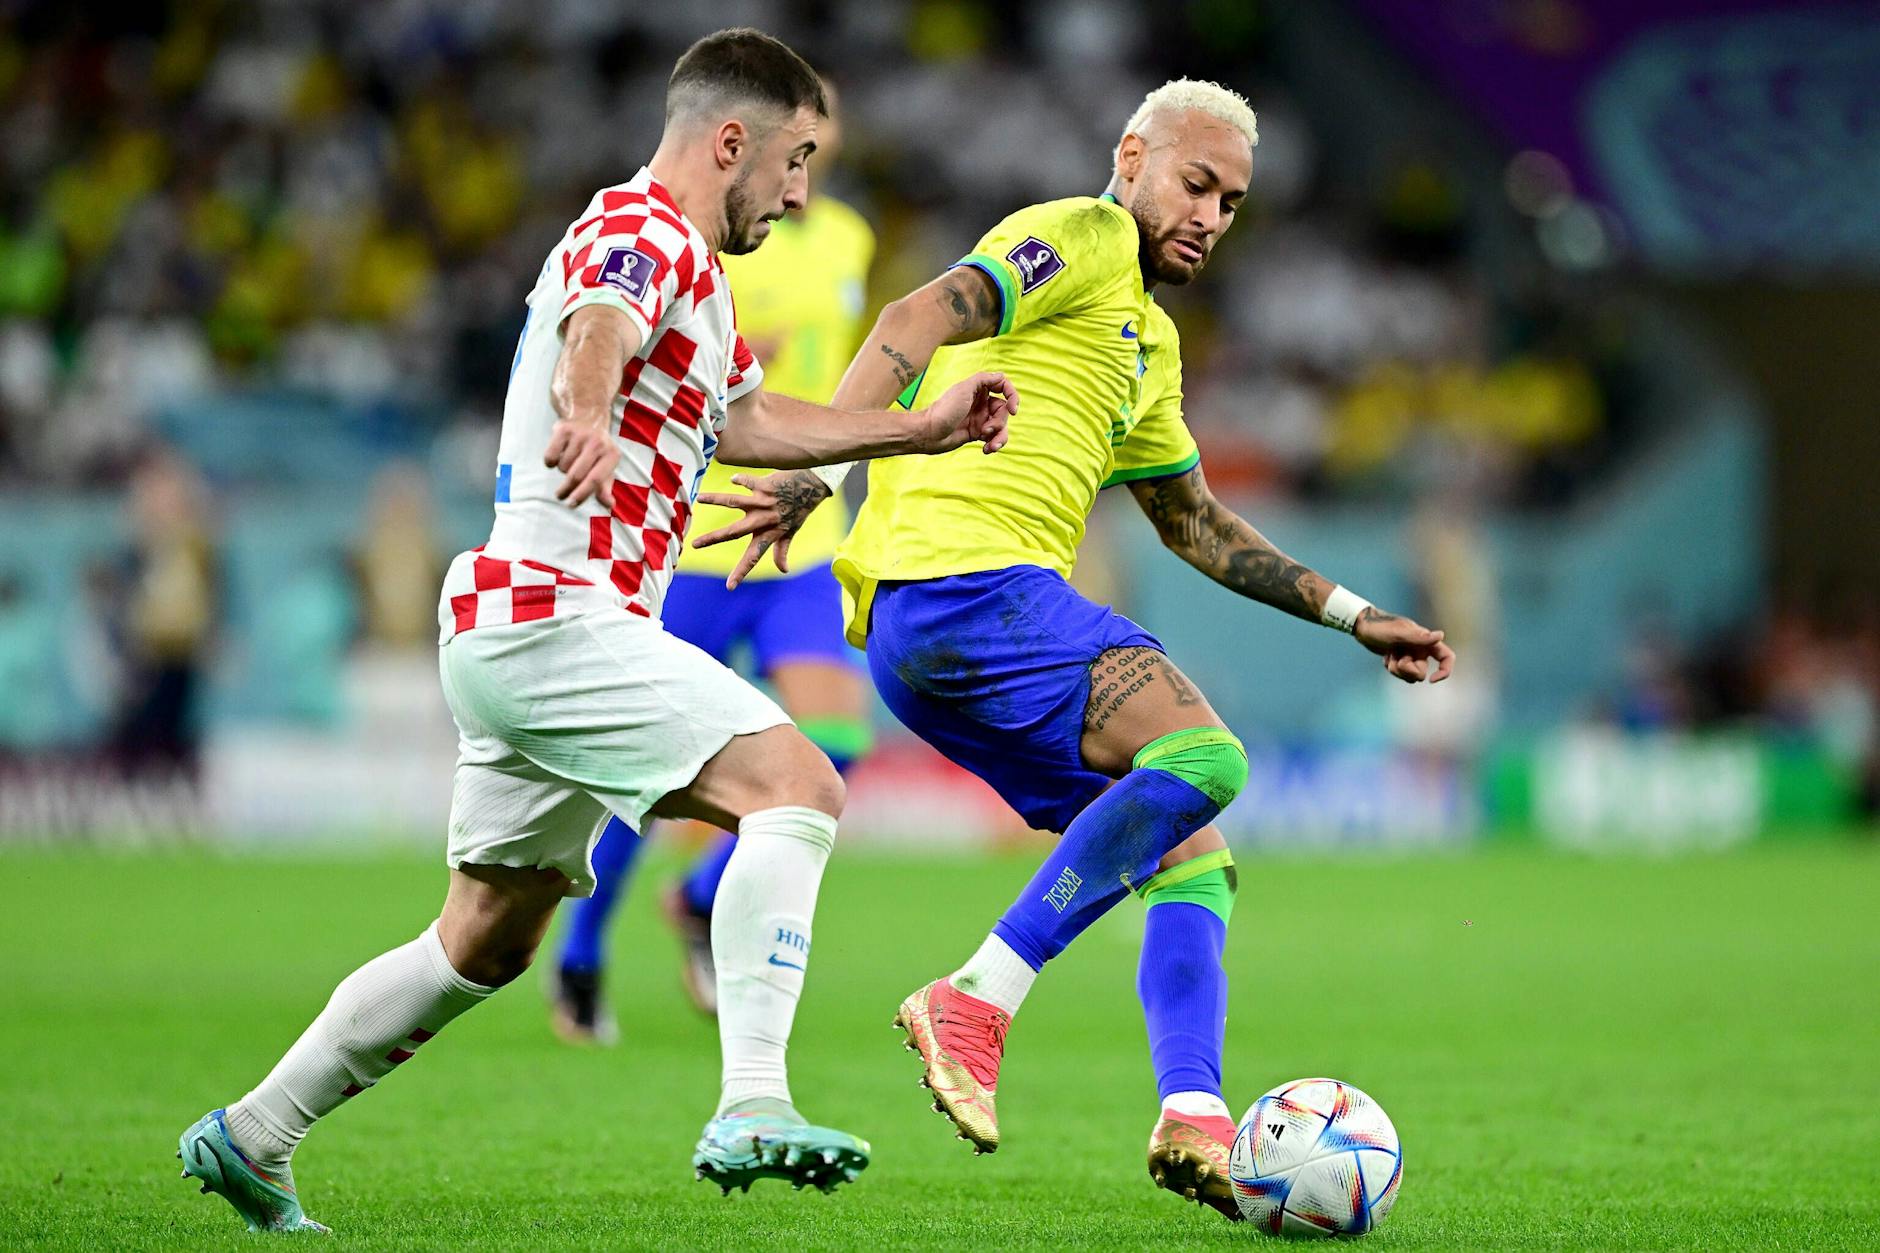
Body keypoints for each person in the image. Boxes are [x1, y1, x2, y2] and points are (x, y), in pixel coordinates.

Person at [175, 28, 1015, 1233]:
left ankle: (253, 1132)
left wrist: (914, 431)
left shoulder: (699, 278)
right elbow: (598, 333)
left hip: (529, 627)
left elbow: (750, 420)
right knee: (799, 783)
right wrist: (585, 412)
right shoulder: (643, 230)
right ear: (731, 140)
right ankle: (753, 1099)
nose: (799, 195)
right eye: (794, 162)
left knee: (483, 937)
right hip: (557, 615)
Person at [696, 79, 1453, 1219]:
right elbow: (914, 319)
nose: (1208, 215)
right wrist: (815, 463)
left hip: (938, 639)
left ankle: (1194, 1113)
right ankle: (976, 997)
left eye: (1232, 202)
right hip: (965, 587)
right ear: (1131, 155)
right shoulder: (1081, 237)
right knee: (1207, 757)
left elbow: (1193, 521)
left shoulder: (1146, 342)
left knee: (1192, 847)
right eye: (1194, 184)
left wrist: (1352, 613)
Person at [551, 79, 877, 1044]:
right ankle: (579, 951)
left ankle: (700, 894)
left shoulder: (847, 237)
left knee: (837, 747)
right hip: (697, 541)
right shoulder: (713, 237)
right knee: (647, 783)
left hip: (806, 542)